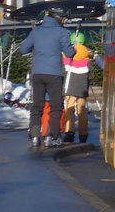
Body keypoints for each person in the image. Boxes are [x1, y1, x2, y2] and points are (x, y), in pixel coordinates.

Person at [18, 10, 76, 149]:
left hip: (37, 73)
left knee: (37, 106)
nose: (64, 21)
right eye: (63, 19)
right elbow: (69, 52)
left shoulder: (36, 31)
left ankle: (35, 136)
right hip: (54, 73)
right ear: (58, 19)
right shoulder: (61, 32)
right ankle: (52, 136)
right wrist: (73, 49)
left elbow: (23, 49)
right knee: (56, 106)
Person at [62, 31, 93, 144]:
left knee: (69, 107)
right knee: (82, 109)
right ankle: (83, 134)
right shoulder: (86, 51)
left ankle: (69, 133)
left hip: (70, 81)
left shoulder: (67, 52)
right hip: (82, 82)